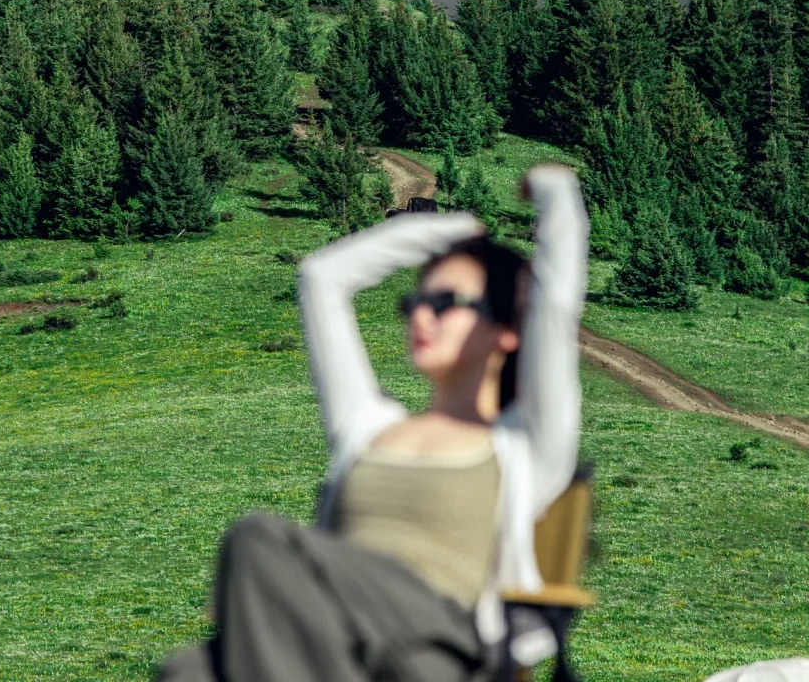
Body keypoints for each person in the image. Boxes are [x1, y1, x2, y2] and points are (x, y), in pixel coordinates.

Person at [157, 164, 589, 682]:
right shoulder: (365, 428)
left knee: (257, 539)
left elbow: (555, 306)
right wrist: (440, 230)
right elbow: (322, 278)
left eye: (446, 303)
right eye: (416, 302)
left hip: (433, 652)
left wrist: (555, 193)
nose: (421, 317)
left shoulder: (522, 445)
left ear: (508, 329)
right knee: (188, 670)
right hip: (335, 642)